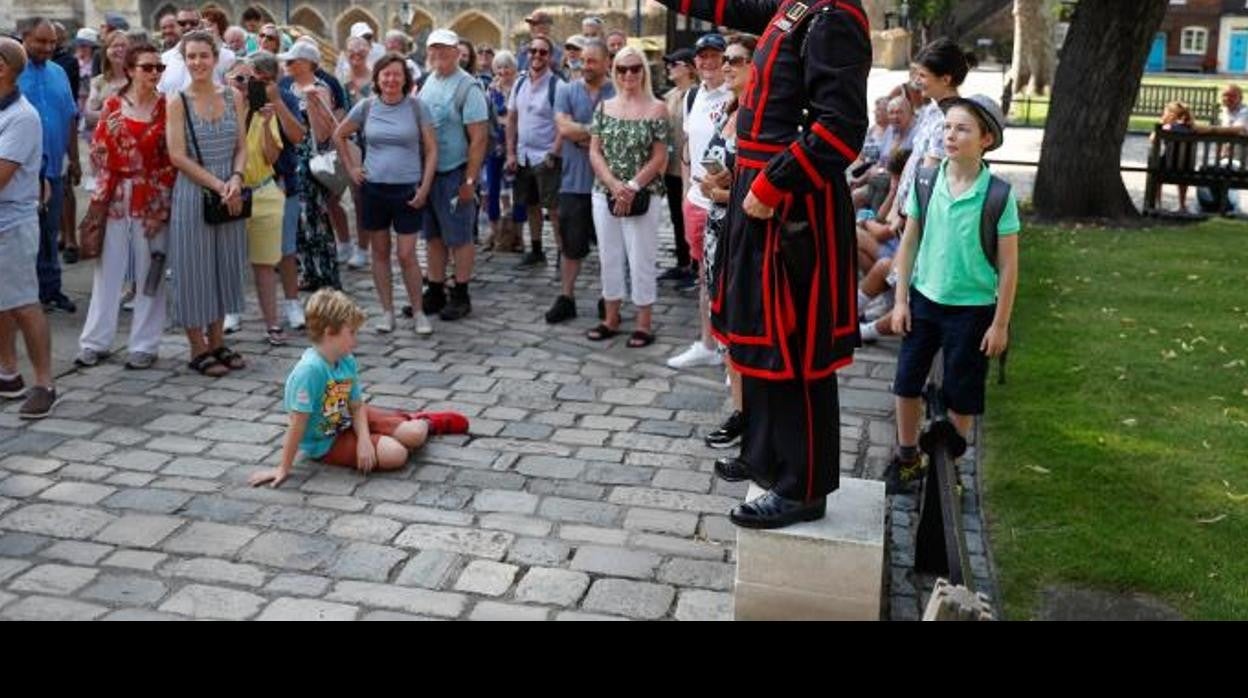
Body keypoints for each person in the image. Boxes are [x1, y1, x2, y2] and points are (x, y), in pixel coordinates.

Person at [660, 0, 870, 529]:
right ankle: (766, 455)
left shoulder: (835, 17)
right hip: (759, 189)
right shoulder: (798, 6)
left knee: (796, 349)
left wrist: (774, 183)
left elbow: (839, 129)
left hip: (794, 203)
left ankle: (803, 487)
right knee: (757, 333)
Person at [887, 95, 1019, 495]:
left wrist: (1000, 324)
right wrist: (900, 300)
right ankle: (908, 457)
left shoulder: (997, 195)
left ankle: (951, 470)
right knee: (906, 383)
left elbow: (1010, 265)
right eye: (947, 127)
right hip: (924, 301)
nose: (950, 135)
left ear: (986, 140)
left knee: (962, 393)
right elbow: (908, 243)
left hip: (973, 310)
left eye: (962, 129)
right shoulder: (928, 181)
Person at [247, 289, 469, 488]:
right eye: (351, 333)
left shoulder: (346, 360)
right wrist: (283, 468)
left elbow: (356, 405)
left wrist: (364, 439)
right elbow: (297, 424)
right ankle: (395, 427)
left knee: (415, 434)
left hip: (349, 417)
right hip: (326, 441)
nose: (356, 340)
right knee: (396, 455)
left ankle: (424, 421)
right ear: (329, 332)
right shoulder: (310, 371)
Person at [76, 41, 174, 371]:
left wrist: (160, 205)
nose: (155, 73)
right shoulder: (113, 105)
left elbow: (171, 158)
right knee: (109, 270)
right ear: (131, 70)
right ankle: (95, 341)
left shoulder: (168, 106)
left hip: (154, 195)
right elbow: (98, 152)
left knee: (151, 272)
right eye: (148, 67)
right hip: (116, 194)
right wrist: (105, 193)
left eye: (159, 68)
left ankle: (144, 344)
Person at [334, 53, 439, 336]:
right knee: (379, 252)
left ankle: (418, 311)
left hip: (408, 190)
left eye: (396, 74)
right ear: (377, 79)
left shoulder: (417, 107)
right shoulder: (366, 107)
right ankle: (387, 311)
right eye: (386, 75)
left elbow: (431, 150)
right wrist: (352, 168)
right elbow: (339, 134)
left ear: (405, 78)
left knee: (407, 255)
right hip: (374, 189)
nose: (391, 79)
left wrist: (425, 186)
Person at [165, 30, 249, 378]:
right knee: (193, 269)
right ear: (185, 61)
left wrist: (236, 179)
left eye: (204, 55)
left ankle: (217, 341)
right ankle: (197, 347)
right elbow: (177, 156)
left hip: (229, 189)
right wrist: (218, 184)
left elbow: (242, 146)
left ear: (216, 58)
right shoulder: (177, 102)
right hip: (194, 192)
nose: (198, 62)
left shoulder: (233, 96)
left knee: (223, 265)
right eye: (192, 57)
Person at [694, 34, 755, 450]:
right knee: (726, 326)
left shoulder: (759, 116)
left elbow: (757, 187)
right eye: (726, 60)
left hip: (741, 231)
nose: (727, 66)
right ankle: (740, 411)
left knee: (743, 326)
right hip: (717, 226)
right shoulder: (730, 108)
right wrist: (714, 182)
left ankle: (752, 416)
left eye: (736, 60)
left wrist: (721, 192)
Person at [586, 45, 669, 348]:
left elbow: (659, 157)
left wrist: (631, 186)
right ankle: (611, 318)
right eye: (622, 69)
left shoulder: (657, 108)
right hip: (604, 193)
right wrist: (613, 184)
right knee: (609, 257)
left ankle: (644, 323)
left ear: (644, 71)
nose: (629, 74)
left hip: (644, 194)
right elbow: (595, 151)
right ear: (614, 72)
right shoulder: (604, 107)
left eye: (635, 68)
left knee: (641, 258)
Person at [0, 36, 58, 419]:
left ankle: (45, 383)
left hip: (12, 223)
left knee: (23, 304)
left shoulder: (22, 116)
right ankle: (8, 373)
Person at [416, 29, 489, 322]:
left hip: (455, 171)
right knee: (432, 236)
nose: (438, 54)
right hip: (429, 173)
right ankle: (435, 290)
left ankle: (461, 292)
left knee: (459, 238)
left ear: (457, 52)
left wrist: (470, 180)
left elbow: (479, 138)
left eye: (445, 49)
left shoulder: (468, 88)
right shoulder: (428, 81)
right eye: (434, 49)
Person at [667, 32, 729, 368]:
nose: (707, 62)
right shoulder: (692, 96)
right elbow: (689, 151)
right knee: (705, 276)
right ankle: (708, 342)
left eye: (714, 56)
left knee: (726, 277)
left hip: (722, 202)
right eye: (702, 57)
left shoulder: (733, 96)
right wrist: (685, 200)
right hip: (696, 201)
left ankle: (728, 348)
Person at [544, 38, 614, 324]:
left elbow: (619, 133)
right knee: (571, 246)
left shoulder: (616, 91)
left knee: (610, 248)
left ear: (606, 62)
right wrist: (597, 135)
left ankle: (608, 298)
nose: (585, 66)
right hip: (574, 182)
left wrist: (586, 135)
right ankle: (567, 297)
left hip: (607, 182)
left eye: (592, 61)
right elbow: (563, 127)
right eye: (583, 60)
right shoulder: (567, 90)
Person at [19, 17, 79, 314]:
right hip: (18, 174)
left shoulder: (58, 73)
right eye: (40, 41)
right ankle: (23, 298)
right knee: (23, 239)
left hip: (53, 170)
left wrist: (75, 160)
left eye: (52, 42)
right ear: (24, 38)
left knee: (50, 232)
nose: (47, 47)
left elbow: (69, 116)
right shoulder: (9, 74)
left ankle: (50, 290)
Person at [230, 53, 289, 346]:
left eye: (250, 80)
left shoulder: (263, 112)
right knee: (229, 260)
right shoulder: (220, 111)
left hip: (262, 190)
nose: (244, 85)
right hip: (231, 191)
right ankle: (229, 312)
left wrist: (266, 123)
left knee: (265, 263)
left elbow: (272, 157)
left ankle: (272, 322)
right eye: (238, 79)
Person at [279, 40, 341, 293]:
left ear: (306, 64)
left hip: (309, 161)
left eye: (292, 61)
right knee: (296, 221)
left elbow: (323, 133)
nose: (287, 65)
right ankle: (307, 271)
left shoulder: (320, 88)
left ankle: (324, 273)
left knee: (314, 218)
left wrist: (313, 104)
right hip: (290, 159)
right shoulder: (287, 87)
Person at [507, 34, 564, 268]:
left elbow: (563, 123)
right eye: (533, 51)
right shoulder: (519, 83)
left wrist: (554, 151)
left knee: (553, 207)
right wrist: (510, 152)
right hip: (523, 155)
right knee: (530, 204)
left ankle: (562, 252)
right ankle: (537, 249)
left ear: (550, 57)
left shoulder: (557, 86)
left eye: (542, 52)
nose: (537, 56)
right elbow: (511, 119)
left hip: (546, 157)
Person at [658, 47, 696, 285]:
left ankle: (695, 265)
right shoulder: (670, 96)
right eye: (669, 64)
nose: (669, 68)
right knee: (676, 216)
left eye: (675, 64)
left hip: (690, 170)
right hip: (670, 168)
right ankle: (683, 262)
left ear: (689, 68)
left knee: (690, 216)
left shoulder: (697, 94)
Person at [481, 50, 521, 252]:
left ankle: (518, 235)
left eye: (507, 67)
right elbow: (489, 115)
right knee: (492, 188)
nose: (503, 71)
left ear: (514, 68)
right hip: (496, 143)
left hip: (517, 142)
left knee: (519, 189)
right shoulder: (492, 89)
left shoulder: (520, 87)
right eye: (499, 67)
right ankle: (494, 231)